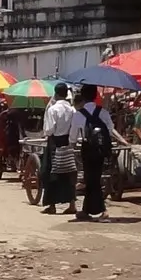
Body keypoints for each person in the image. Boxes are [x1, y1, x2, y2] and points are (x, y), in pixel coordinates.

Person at [40, 83, 81, 215]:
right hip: (68, 142)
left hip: (55, 142)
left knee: (51, 172)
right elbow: (75, 128)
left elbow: (49, 130)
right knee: (69, 171)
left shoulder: (53, 109)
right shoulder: (72, 110)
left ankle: (52, 205)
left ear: (56, 94)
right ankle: (72, 204)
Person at [75, 83, 114, 220]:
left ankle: (103, 210)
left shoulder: (78, 114)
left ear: (82, 96)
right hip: (100, 149)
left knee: (91, 179)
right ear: (95, 95)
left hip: (87, 148)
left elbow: (73, 135)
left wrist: (73, 143)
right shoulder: (103, 112)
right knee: (93, 178)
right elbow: (110, 129)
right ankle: (86, 210)